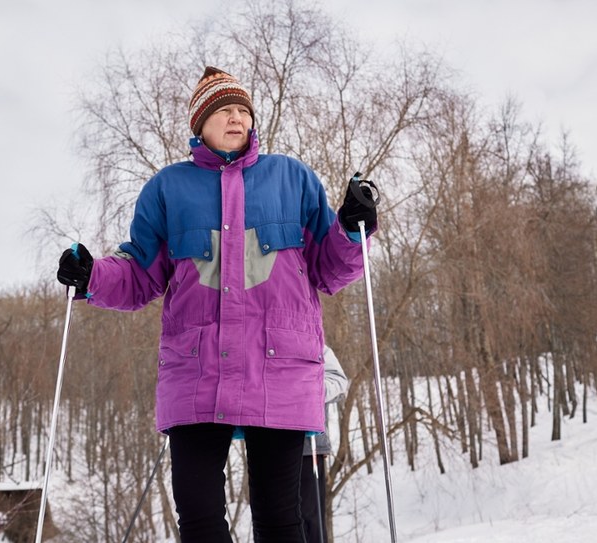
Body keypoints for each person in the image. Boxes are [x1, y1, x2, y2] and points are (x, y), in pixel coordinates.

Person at [56, 66, 377, 543]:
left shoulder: (292, 179)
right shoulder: (168, 189)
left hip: (281, 370)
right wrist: (91, 278)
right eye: (224, 110)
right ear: (199, 124)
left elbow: (331, 268)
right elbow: (141, 271)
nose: (236, 118)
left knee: (281, 518)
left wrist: (353, 229)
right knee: (200, 519)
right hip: (196, 373)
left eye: (243, 110)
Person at [300, 346, 349, 543]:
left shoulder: (315, 345)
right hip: (266, 444)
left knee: (310, 520)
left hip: (308, 445)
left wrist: (307, 389)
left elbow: (338, 381)